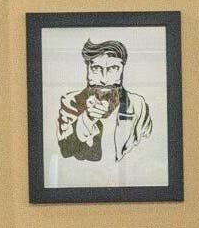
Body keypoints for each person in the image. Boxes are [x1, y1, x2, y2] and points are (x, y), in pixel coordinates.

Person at [53, 36, 154, 176]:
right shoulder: (71, 101)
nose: (104, 79)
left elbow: (148, 151)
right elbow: (66, 150)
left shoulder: (138, 105)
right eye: (96, 68)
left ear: (122, 69)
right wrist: (87, 119)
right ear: (87, 69)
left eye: (113, 68)